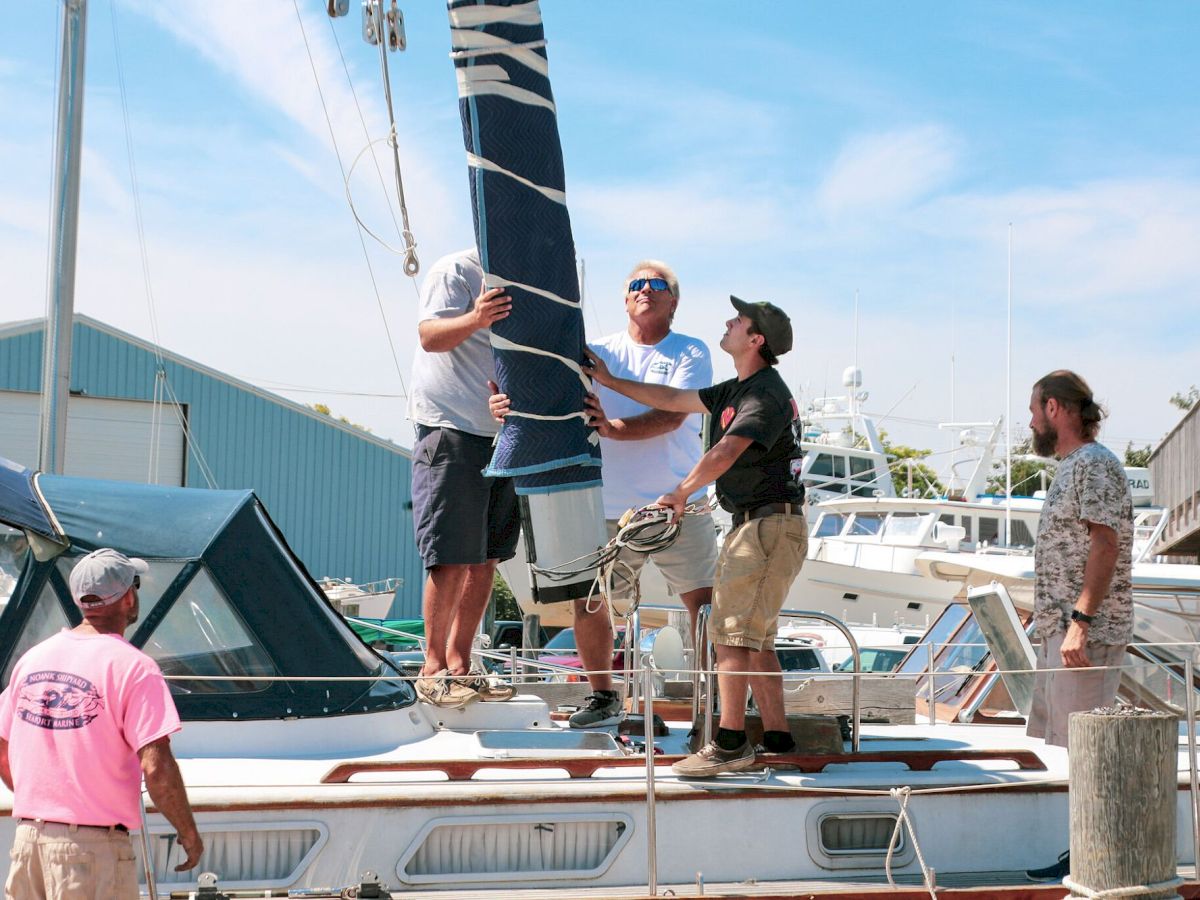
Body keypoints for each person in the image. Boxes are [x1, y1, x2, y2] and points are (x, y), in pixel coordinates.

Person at [490, 260, 718, 729]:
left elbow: (674, 413)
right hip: (606, 504)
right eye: (636, 284)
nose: (645, 291)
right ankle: (602, 696)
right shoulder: (593, 352)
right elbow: (545, 395)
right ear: (624, 297)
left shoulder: (690, 351)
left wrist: (614, 428)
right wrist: (504, 409)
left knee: (703, 604)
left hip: (679, 502)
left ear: (674, 300)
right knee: (589, 602)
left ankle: (714, 703)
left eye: (658, 285)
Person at [584, 296, 806, 774]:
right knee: (756, 638)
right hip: (758, 522)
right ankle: (778, 739)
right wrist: (608, 381)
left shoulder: (763, 394)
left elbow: (726, 450)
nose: (727, 322)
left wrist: (679, 492)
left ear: (756, 339)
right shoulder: (736, 389)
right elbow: (670, 400)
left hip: (768, 524)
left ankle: (728, 745)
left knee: (730, 633)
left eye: (738, 320)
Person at [0, 548, 203, 899]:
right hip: (91, 853)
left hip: (28, 844)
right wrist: (188, 833)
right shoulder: (134, 667)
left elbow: (3, 749)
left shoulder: (32, 660)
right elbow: (156, 767)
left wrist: (50, 805)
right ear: (127, 597)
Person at [1022, 370, 1133, 883]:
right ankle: (1086, 854)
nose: (1030, 422)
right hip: (1065, 630)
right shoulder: (1076, 467)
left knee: (1092, 749)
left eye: (1032, 410)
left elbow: (1105, 545)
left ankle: (1097, 860)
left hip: (1085, 635)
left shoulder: (1094, 465)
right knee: (1078, 747)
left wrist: (1080, 624)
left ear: (1054, 408)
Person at [409, 248, 521, 708]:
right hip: (449, 427)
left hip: (506, 434)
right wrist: (476, 317)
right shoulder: (456, 269)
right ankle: (431, 669)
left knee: (487, 558)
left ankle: (461, 665)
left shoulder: (535, 279)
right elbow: (429, 336)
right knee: (451, 555)